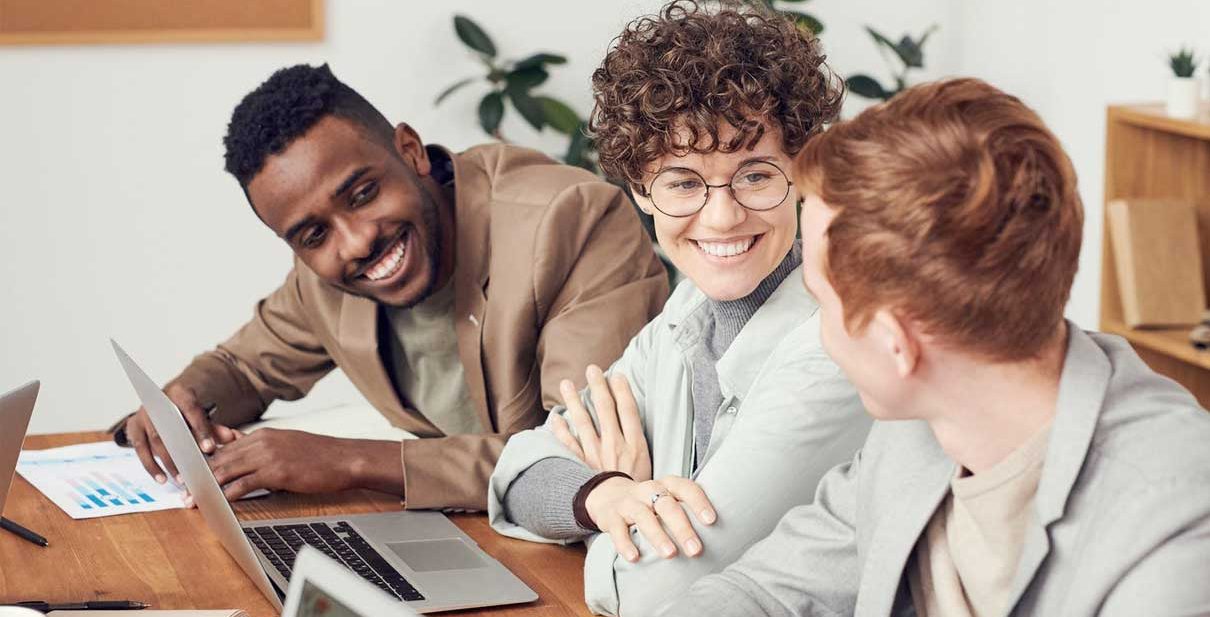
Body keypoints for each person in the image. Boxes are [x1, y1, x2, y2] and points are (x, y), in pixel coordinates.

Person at [663, 78, 1210, 616]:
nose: (818, 328)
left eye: (820, 302)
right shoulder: (913, 434)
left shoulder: (1172, 532)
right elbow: (765, 592)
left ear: (896, 344)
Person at [110, 63, 669, 511]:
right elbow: (243, 370)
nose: (353, 244)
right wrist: (183, 403)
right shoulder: (323, 278)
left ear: (410, 150)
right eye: (312, 234)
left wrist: (353, 463)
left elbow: (579, 460)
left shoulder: (568, 220)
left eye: (361, 194)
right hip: (474, 536)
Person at [486, 3, 871, 615]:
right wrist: (604, 496)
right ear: (641, 190)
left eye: (755, 175)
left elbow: (654, 592)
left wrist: (626, 497)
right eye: (684, 182)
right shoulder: (681, 319)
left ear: (801, 171)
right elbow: (516, 473)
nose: (722, 216)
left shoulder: (836, 351)